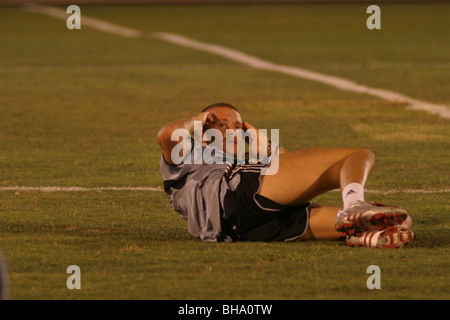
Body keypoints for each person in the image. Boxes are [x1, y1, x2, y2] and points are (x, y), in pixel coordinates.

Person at [157, 102, 414, 248]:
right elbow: (166, 133)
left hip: (239, 229)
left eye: (238, 127)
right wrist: (197, 119)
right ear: (202, 131)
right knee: (358, 155)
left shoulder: (245, 163)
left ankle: (365, 236)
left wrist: (262, 142)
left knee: (394, 223)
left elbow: (293, 183)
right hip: (236, 197)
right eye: (221, 125)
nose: (233, 131)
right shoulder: (189, 152)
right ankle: (354, 203)